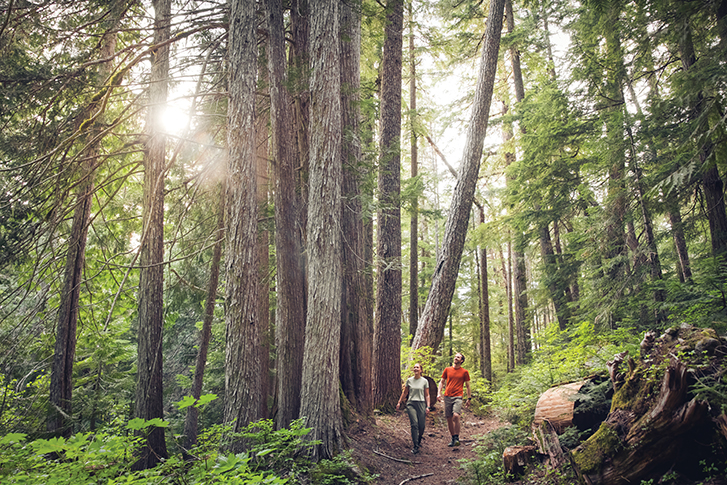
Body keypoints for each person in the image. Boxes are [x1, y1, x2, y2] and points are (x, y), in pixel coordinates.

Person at [437, 352, 471, 447]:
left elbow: (468, 386)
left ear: (462, 360)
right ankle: (453, 438)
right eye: (455, 356)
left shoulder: (464, 372)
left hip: (458, 396)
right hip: (447, 396)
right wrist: (438, 393)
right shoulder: (447, 369)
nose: (456, 358)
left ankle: (456, 437)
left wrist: (469, 398)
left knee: (456, 415)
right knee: (449, 418)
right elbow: (442, 382)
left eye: (458, 357)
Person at [396, 363, 430, 454]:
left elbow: (427, 395)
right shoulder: (409, 380)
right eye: (414, 367)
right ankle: (415, 446)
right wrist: (399, 402)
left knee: (421, 426)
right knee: (414, 424)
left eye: (417, 367)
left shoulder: (424, 381)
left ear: (421, 370)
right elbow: (405, 393)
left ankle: (418, 440)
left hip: (421, 404)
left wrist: (428, 406)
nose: (415, 369)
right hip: (411, 404)